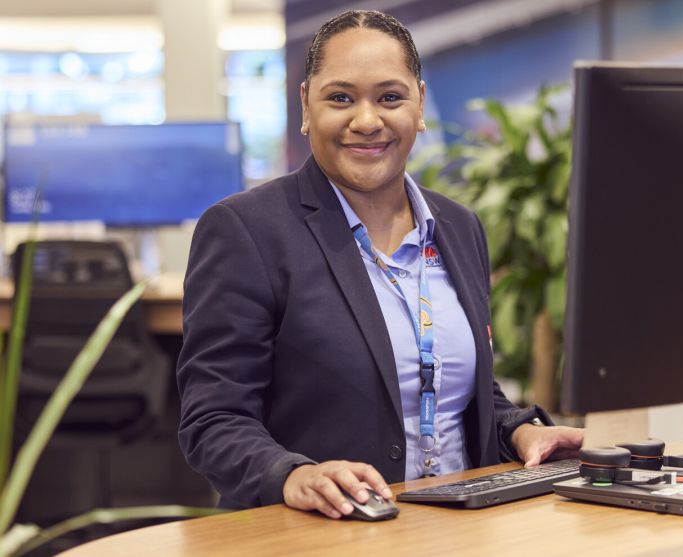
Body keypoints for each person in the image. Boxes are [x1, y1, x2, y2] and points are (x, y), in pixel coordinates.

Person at [177, 9, 583, 520]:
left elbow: (456, 388)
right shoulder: (247, 230)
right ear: (306, 105)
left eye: (390, 97)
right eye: (340, 98)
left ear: (419, 106)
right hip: (320, 536)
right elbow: (213, 419)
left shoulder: (458, 227)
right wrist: (292, 474)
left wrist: (520, 429)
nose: (366, 120)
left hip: (460, 530)